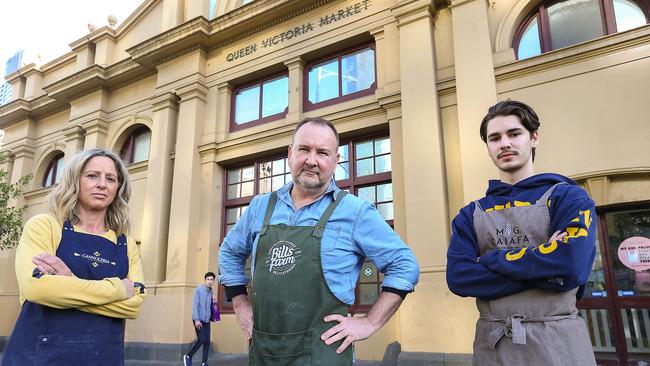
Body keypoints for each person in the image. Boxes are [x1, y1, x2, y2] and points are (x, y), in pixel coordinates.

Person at [219, 117, 419, 365]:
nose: (311, 160)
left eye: (323, 153)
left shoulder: (355, 211)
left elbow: (404, 265)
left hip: (323, 355)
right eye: (304, 149)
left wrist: (369, 323)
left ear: (336, 160)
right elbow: (228, 252)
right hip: (264, 352)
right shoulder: (260, 206)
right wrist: (239, 303)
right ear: (290, 153)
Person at [446, 100, 597, 365]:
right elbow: (460, 278)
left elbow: (571, 265)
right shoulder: (471, 214)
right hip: (493, 345)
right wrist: (546, 269)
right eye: (495, 138)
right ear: (488, 148)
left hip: (558, 343)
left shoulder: (568, 198)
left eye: (514, 134)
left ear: (534, 137)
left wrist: (492, 260)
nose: (504, 143)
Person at [2, 149, 146, 366]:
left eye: (111, 179)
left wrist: (67, 285)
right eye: (92, 175)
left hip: (104, 358)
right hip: (38, 357)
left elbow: (134, 305)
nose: (102, 184)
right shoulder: (45, 226)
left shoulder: (124, 241)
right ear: (74, 181)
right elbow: (37, 289)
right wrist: (117, 290)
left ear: (118, 188)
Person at [184, 272, 217, 366]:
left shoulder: (211, 292)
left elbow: (211, 307)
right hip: (198, 319)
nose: (210, 281)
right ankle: (188, 356)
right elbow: (195, 306)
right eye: (208, 279)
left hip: (207, 321)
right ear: (205, 280)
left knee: (207, 342)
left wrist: (214, 302)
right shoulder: (198, 290)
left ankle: (204, 363)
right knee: (201, 339)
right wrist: (197, 319)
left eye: (212, 280)